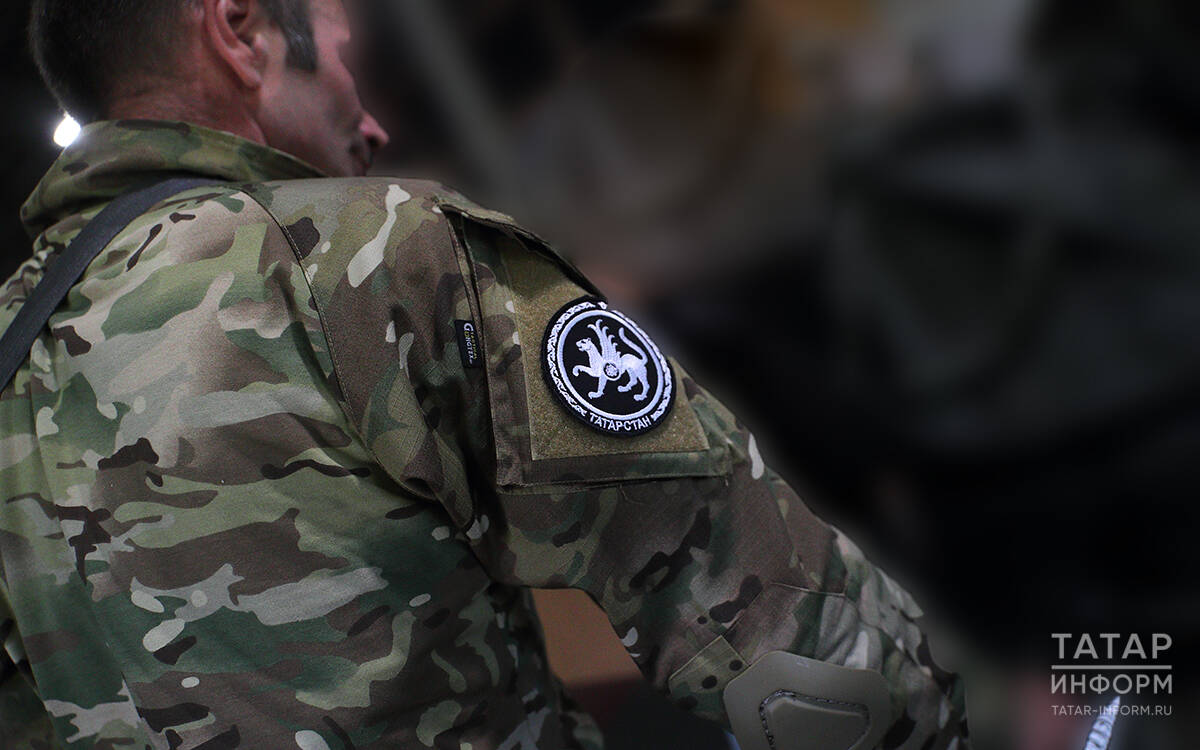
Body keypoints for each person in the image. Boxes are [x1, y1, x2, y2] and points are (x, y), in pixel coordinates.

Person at [0, 0, 969, 747]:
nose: (373, 126)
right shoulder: (365, 257)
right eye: (342, 58)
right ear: (240, 31)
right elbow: (747, 595)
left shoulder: (13, 349)